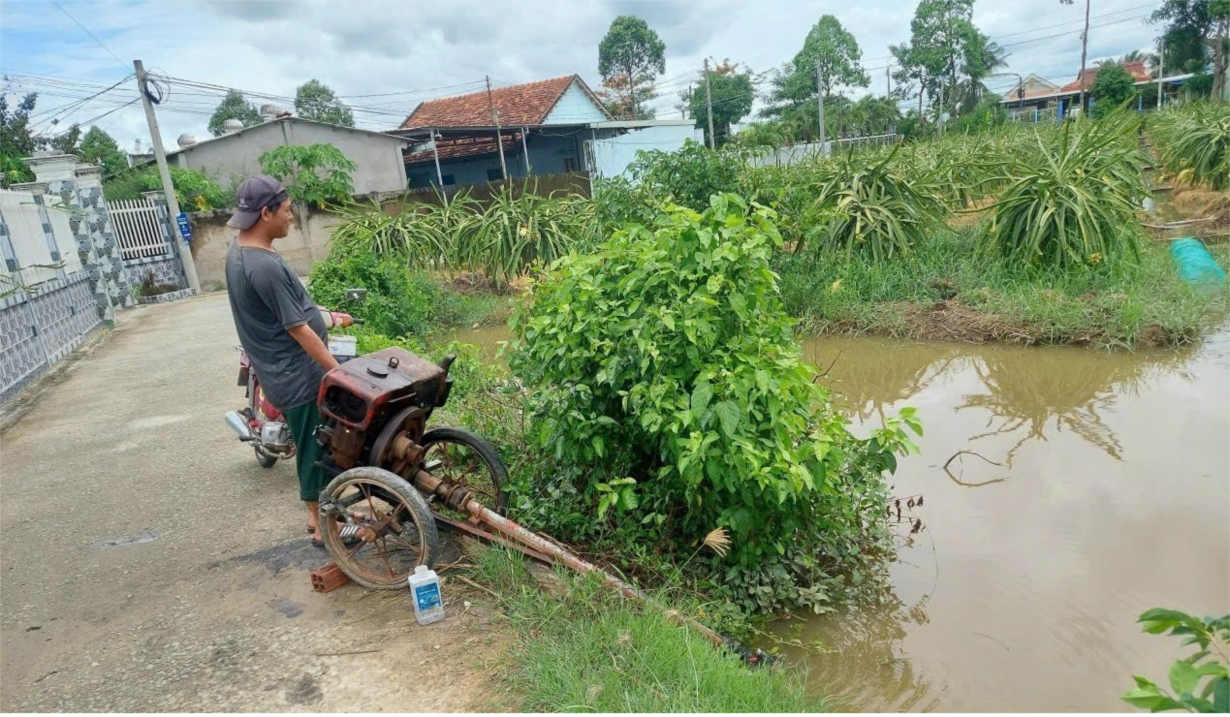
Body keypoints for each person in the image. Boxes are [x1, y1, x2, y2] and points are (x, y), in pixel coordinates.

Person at [224, 175, 349, 545]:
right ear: (265, 213)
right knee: (316, 446)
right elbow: (299, 329)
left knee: (321, 441)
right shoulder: (260, 265)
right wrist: (338, 372)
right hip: (297, 373)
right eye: (286, 209)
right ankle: (322, 525)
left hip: (287, 368)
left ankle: (328, 512)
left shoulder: (243, 249)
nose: (292, 216)